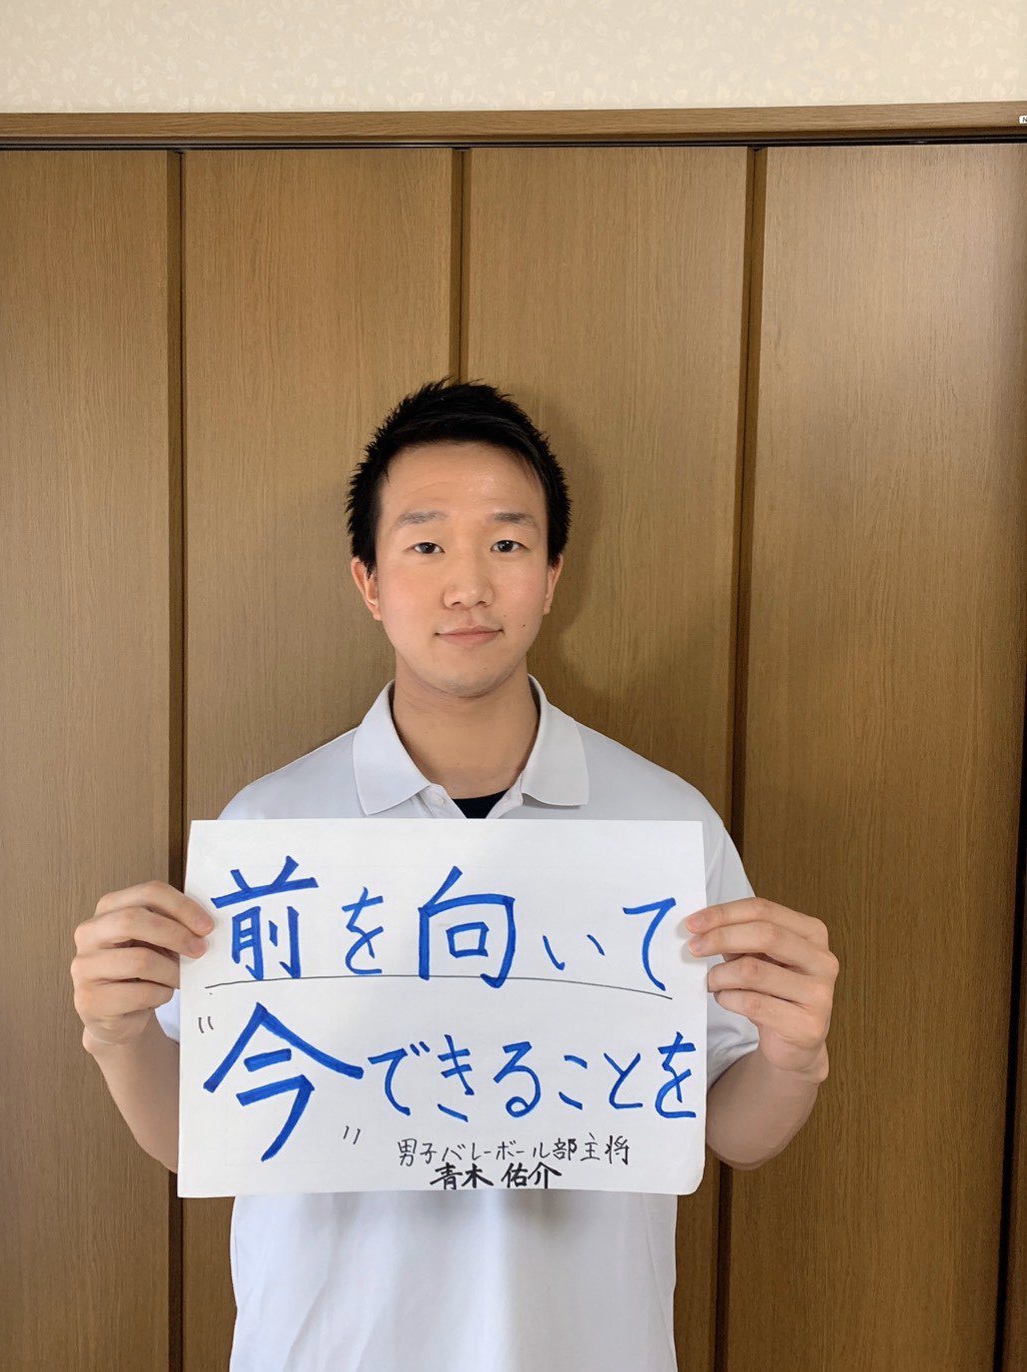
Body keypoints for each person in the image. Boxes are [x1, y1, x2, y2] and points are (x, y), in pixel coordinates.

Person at [72, 377, 837, 1371]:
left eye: (507, 543)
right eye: (426, 544)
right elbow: (202, 1134)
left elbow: (735, 1130)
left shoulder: (666, 824)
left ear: (553, 575)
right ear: (369, 581)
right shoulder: (270, 829)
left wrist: (792, 1057)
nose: (467, 584)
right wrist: (119, 1035)